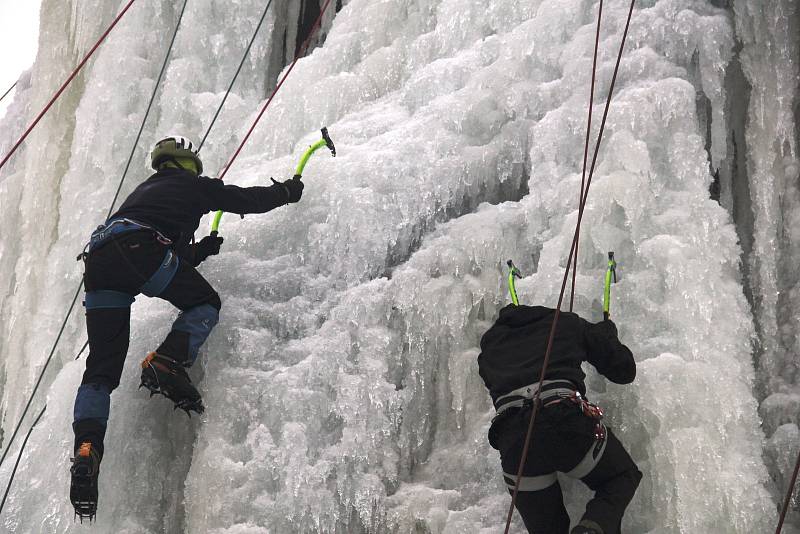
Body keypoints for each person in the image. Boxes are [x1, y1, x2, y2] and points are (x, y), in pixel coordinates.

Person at [69, 136, 304, 520]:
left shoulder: (146, 193)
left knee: (100, 370)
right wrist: (286, 192)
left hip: (99, 257)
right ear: (186, 165)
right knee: (204, 302)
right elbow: (244, 200)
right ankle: (167, 360)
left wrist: (202, 251)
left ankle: (87, 448)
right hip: (138, 249)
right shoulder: (191, 185)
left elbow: (169, 257)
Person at [478, 304, 642, 534]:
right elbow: (624, 370)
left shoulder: (489, 346)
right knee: (621, 476)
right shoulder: (564, 323)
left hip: (514, 441)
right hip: (564, 421)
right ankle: (592, 529)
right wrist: (607, 334)